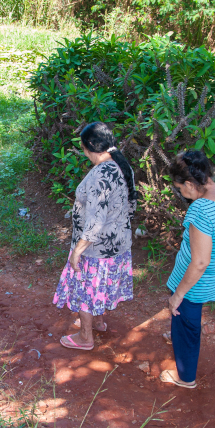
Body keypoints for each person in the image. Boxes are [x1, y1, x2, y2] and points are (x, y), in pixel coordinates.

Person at [162, 150, 215, 388]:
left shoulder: (201, 210)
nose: (181, 193)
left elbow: (200, 263)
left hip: (196, 281)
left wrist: (177, 295)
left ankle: (185, 377)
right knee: (187, 321)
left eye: (180, 188)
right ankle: (183, 358)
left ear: (190, 184)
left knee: (185, 321)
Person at [53, 122, 137, 350]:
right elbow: (130, 205)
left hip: (95, 248)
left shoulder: (100, 175)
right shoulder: (122, 164)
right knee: (101, 286)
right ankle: (98, 321)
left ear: (90, 147)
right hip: (117, 243)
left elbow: (95, 222)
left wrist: (78, 251)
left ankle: (85, 337)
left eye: (83, 147)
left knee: (85, 289)